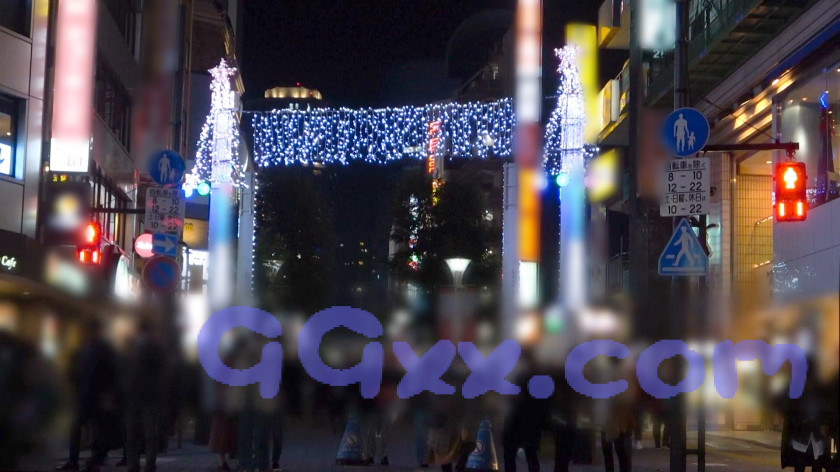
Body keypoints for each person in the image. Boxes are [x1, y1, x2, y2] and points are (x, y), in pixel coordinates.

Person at [57, 319, 120, 472]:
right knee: (79, 428)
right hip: (86, 394)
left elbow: (112, 372)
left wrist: (109, 394)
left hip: (96, 395)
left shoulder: (101, 349)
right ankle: (76, 461)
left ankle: (93, 462)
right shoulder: (87, 348)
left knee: (96, 430)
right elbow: (77, 370)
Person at [120, 318, 164, 472]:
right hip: (149, 396)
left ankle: (133, 465)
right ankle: (150, 464)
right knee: (149, 434)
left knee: (132, 434)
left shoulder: (130, 348)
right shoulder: (155, 348)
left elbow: (122, 370)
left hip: (132, 396)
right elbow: (161, 372)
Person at [503, 351, 550, 472]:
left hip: (521, 418)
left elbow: (516, 396)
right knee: (531, 452)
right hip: (535, 419)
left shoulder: (524, 377)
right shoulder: (541, 378)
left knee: (510, 449)